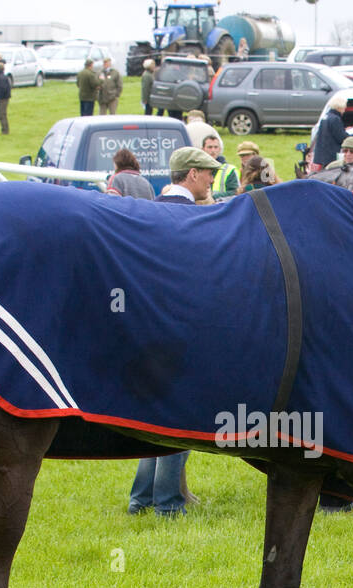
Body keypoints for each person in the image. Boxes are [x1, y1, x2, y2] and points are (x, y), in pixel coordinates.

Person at [130, 147, 222, 516]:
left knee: (154, 415)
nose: (212, 180)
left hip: (146, 324)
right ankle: (168, 502)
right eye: (208, 173)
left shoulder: (149, 206)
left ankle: (142, 497)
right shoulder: (188, 215)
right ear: (192, 174)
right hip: (177, 325)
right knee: (179, 415)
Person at [312, 94, 348, 171]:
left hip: (321, 156)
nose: (345, 110)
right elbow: (341, 138)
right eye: (344, 107)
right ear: (339, 107)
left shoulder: (325, 116)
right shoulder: (335, 119)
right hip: (331, 156)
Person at [201, 133, 239, 199]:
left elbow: (235, 192)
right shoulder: (197, 169)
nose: (213, 150)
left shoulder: (229, 170)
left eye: (216, 147)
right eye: (210, 147)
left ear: (220, 149)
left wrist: (212, 197)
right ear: (202, 149)